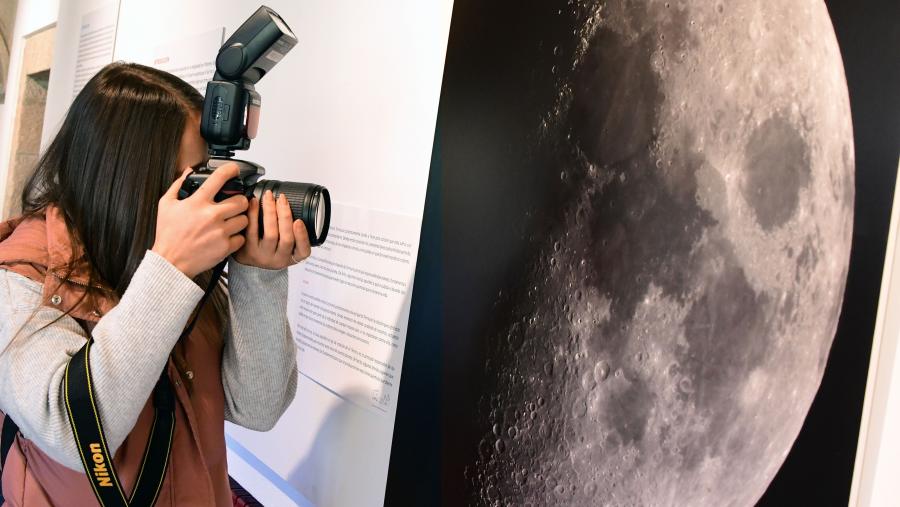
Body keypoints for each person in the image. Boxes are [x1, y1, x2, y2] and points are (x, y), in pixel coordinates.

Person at [0, 62, 310, 505]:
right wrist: (170, 267)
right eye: (193, 179)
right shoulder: (20, 278)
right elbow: (73, 432)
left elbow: (258, 409)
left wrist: (259, 275)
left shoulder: (175, 266)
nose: (207, 198)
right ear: (129, 181)